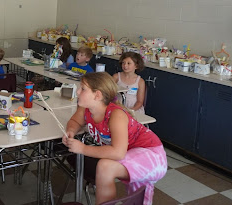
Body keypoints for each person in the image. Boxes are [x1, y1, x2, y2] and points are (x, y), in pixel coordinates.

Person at [63, 73, 166, 205]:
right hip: (133, 153)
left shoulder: (116, 115)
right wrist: (71, 131)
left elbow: (118, 153)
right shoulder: (86, 109)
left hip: (152, 156)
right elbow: (75, 121)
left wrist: (82, 148)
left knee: (105, 167)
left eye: (83, 89)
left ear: (97, 95)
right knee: (136, 199)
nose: (77, 91)